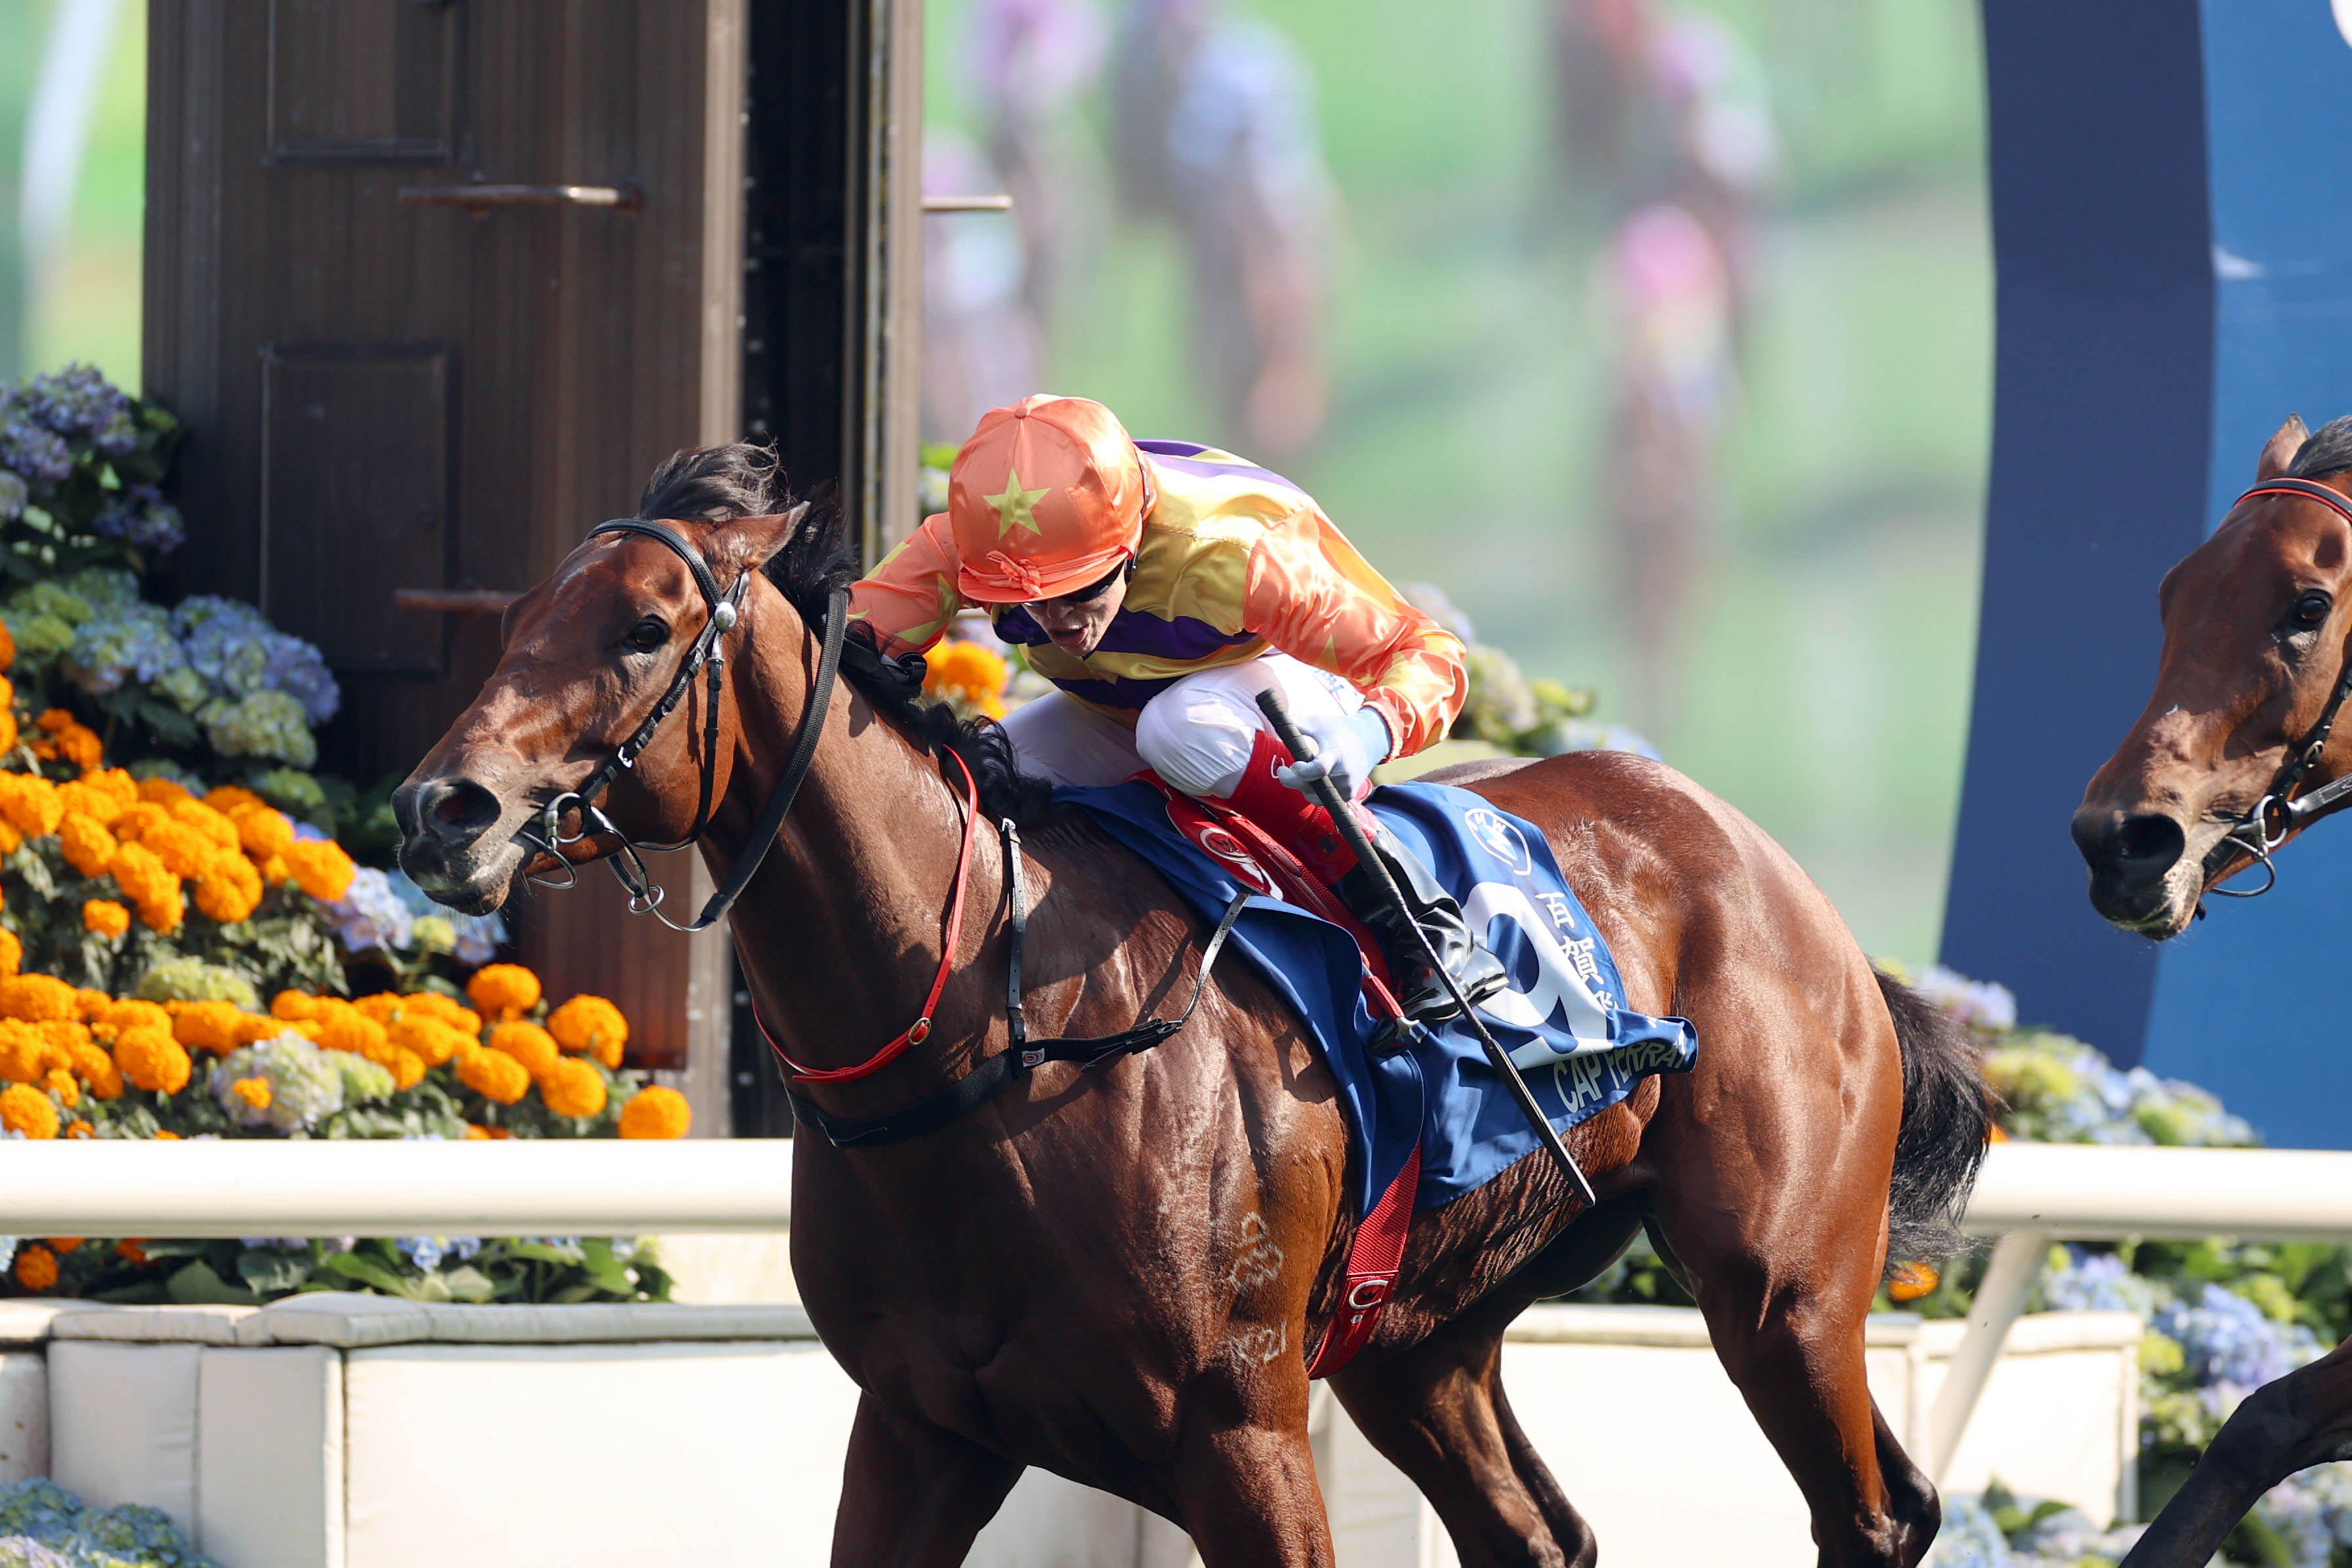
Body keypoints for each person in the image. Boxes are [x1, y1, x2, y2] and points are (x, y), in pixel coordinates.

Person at [850, 393, 1508, 1024]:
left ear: (1131, 545)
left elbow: (1426, 651)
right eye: (1028, 600)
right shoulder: (978, 540)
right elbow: (840, 650)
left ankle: (1416, 917)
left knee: (1179, 726)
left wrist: (1367, 734)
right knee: (978, 777)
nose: (1056, 619)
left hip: (1287, 698)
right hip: (1124, 711)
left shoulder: (1237, 551)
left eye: (1079, 588)